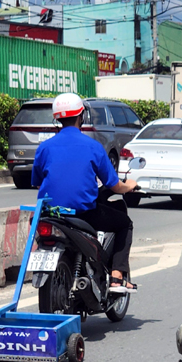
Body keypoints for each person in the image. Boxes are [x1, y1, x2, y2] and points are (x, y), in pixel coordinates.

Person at [32, 93, 139, 293]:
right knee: (125, 224)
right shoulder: (93, 147)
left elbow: (38, 183)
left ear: (57, 119)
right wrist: (130, 185)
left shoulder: (44, 148)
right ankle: (117, 277)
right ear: (81, 116)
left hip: (50, 215)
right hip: (83, 215)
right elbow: (115, 186)